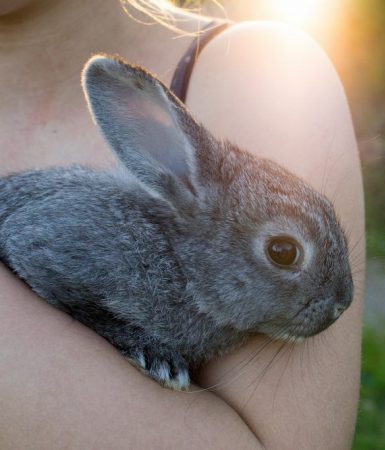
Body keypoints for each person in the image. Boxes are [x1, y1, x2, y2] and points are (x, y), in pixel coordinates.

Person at [0, 0, 365, 448]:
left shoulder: (262, 71)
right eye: (283, 252)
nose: (340, 302)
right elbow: (34, 245)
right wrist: (125, 338)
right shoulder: (122, 246)